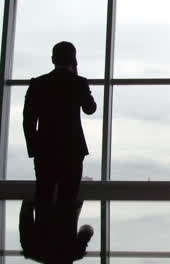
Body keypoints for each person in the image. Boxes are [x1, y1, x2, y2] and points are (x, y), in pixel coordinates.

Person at [23, 41, 97, 202]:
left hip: (45, 150)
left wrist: (34, 149)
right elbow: (90, 109)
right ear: (74, 60)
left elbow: (28, 121)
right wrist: (77, 76)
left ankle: (43, 226)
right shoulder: (78, 82)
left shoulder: (38, 83)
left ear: (52, 59)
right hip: (72, 151)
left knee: (44, 197)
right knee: (68, 201)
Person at [19, 199, 94, 264]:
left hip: (70, 204)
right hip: (45, 202)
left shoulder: (75, 253)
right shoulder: (33, 251)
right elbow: (25, 219)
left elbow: (87, 229)